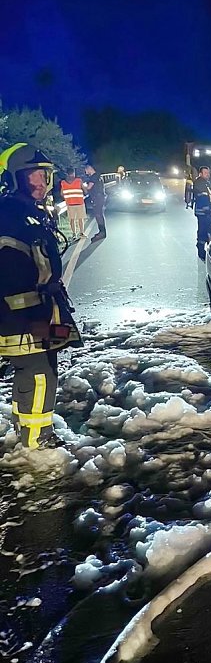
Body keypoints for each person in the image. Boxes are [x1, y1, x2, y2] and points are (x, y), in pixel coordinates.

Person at [0, 144, 82, 449]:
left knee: (37, 370)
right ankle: (37, 442)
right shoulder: (9, 217)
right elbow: (10, 275)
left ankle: (26, 428)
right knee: (39, 374)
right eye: (33, 176)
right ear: (15, 179)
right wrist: (32, 319)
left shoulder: (25, 212)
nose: (41, 183)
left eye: (44, 175)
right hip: (20, 318)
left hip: (37, 312)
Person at [193, 166, 211, 261]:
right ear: (200, 174)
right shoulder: (199, 183)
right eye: (205, 173)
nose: (208, 174)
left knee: (209, 231)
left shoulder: (206, 183)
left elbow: (210, 196)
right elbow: (202, 197)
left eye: (208, 173)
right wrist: (207, 209)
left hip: (207, 212)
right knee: (203, 231)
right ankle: (202, 252)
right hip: (203, 212)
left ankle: (210, 251)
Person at [60, 167, 86, 239]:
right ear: (73, 173)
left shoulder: (63, 182)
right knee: (80, 219)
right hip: (79, 202)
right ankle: (82, 233)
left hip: (70, 203)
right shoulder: (78, 180)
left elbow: (62, 193)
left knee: (72, 220)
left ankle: (74, 234)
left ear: (67, 174)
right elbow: (85, 190)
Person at [83, 164, 106, 240]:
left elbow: (89, 188)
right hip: (100, 197)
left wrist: (83, 186)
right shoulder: (98, 176)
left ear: (89, 169)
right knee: (99, 214)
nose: (86, 173)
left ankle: (102, 232)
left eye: (86, 171)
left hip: (97, 198)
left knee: (98, 215)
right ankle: (102, 231)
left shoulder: (93, 177)